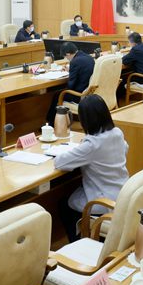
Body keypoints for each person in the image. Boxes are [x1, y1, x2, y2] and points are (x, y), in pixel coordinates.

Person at [54, 94, 128, 242]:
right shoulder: (117, 133)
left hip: (103, 201)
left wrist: (84, 149)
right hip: (123, 194)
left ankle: (79, 241)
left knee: (63, 204)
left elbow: (60, 163)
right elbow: (125, 148)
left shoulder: (92, 145)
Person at [46, 42, 95, 123]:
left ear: (68, 54)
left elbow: (70, 85)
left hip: (79, 95)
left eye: (65, 57)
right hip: (89, 91)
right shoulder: (88, 57)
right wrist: (71, 70)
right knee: (59, 92)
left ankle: (50, 123)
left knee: (57, 95)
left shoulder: (75, 61)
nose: (66, 59)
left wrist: (71, 71)